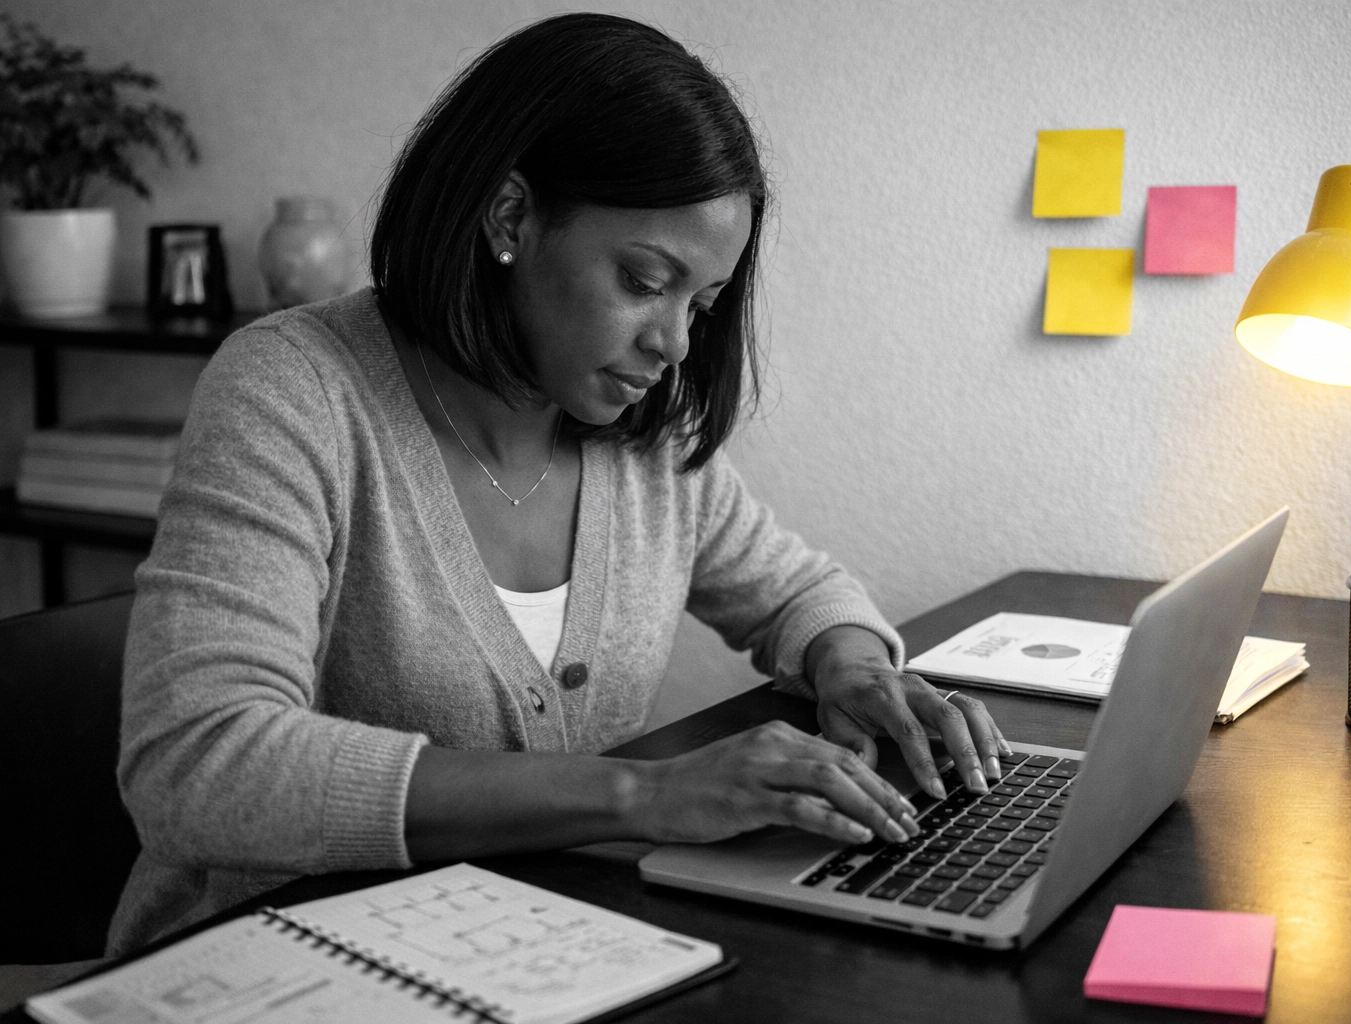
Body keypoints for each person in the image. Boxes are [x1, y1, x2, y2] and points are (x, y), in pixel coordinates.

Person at [108, 12, 1006, 954]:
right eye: (643, 279)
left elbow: (800, 591)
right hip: (272, 963)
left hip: (534, 948)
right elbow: (198, 766)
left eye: (701, 303)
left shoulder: (638, 438)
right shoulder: (294, 390)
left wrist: (857, 672)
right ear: (509, 217)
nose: (674, 344)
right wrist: (643, 793)